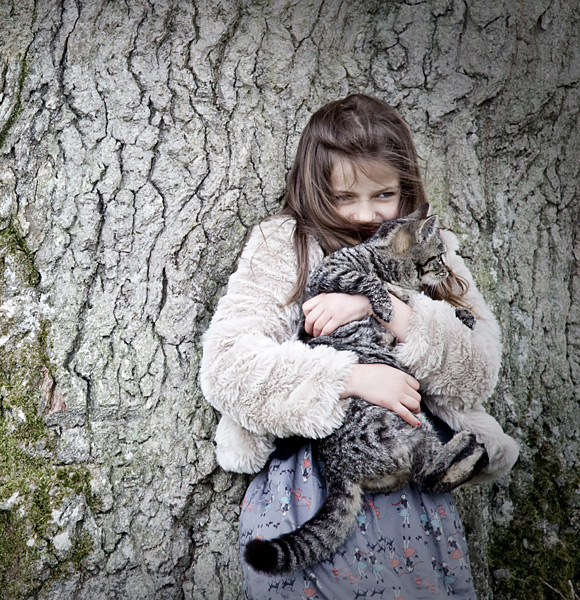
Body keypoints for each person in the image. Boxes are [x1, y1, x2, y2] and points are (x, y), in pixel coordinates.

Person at [199, 94, 518, 599]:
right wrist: (348, 378)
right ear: (313, 188)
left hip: (416, 479)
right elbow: (228, 365)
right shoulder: (288, 245)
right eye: (344, 197)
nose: (366, 214)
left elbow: (477, 371)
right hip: (316, 482)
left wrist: (383, 309)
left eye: (383, 195)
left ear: (406, 188)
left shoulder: (428, 246)